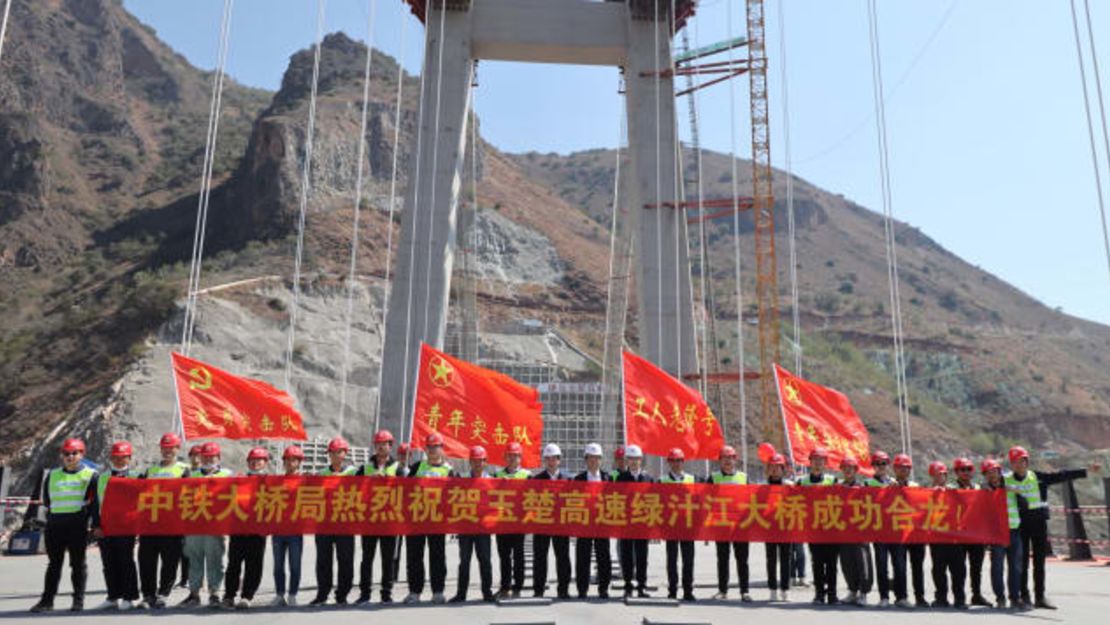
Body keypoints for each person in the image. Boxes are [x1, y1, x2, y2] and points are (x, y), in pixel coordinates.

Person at [1006, 445, 1087, 610]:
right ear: (1011, 464)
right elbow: (988, 485)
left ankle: (1040, 597)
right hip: (1020, 526)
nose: (1018, 465)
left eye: (1021, 461)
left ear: (1026, 461)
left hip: (1039, 525)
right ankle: (1024, 596)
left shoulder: (1038, 477)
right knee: (1022, 563)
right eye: (1014, 462)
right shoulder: (1006, 479)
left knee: (1039, 562)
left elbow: (1062, 475)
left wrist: (1085, 471)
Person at [30, 438, 98, 613]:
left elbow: (95, 503)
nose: (70, 457)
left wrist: (93, 524)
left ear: (82, 454)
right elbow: (47, 499)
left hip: (77, 524)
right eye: (66, 454)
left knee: (77, 564)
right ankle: (47, 601)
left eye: (74, 453)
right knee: (53, 564)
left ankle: (78, 601)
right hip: (55, 525)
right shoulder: (52, 475)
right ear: (62, 455)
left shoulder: (91, 475)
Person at [139, 433, 191, 609]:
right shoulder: (150, 471)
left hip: (172, 525)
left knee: (170, 561)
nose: (168, 451)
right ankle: (148, 595)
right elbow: (138, 495)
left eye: (171, 448)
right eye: (165, 448)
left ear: (177, 449)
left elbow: (190, 497)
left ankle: (163, 593)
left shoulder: (184, 470)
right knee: (146, 561)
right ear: (160, 449)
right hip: (150, 525)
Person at [179, 442, 233, 608]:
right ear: (200, 458)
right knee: (194, 560)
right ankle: (194, 593)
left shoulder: (227, 475)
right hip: (194, 525)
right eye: (205, 457)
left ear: (219, 458)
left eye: (212, 457)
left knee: (215, 560)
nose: (208, 460)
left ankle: (215, 593)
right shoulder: (190, 475)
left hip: (216, 527)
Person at [404, 433, 455, 604]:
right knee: (414, 556)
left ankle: (438, 591)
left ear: (442, 449)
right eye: (430, 447)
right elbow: (404, 490)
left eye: (436, 447)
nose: (432, 450)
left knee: (437, 556)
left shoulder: (449, 470)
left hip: (437, 520)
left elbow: (456, 494)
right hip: (416, 519)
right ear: (425, 449)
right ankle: (414, 592)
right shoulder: (417, 467)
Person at [90, 441, 140, 611]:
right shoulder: (101, 477)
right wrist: (96, 525)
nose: (119, 460)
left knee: (126, 561)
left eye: (123, 457)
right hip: (106, 527)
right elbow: (95, 503)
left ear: (129, 458)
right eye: (116, 457)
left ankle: (129, 597)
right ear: (111, 458)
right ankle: (112, 596)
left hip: (127, 527)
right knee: (109, 563)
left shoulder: (137, 477)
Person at [310, 436, 357, 606]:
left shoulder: (354, 473)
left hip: (345, 523)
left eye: (339, 452)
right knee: (323, 561)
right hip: (324, 524)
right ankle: (322, 594)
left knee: (345, 560)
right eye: (332, 452)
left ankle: (342, 594)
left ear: (345, 453)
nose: (336, 455)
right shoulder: (322, 474)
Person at [356, 430, 400, 604]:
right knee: (367, 558)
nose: (381, 447)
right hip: (370, 521)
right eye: (379, 444)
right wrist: (369, 479)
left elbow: (408, 490)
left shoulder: (399, 468)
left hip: (389, 520)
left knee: (387, 559)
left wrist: (391, 480)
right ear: (375, 446)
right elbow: (353, 488)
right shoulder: (365, 467)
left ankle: (386, 593)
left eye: (385, 443)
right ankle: (365, 593)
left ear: (390, 446)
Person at [223, 447, 269, 609]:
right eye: (253, 460)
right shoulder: (239, 479)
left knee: (254, 565)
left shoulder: (271, 481)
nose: (256, 462)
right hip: (238, 529)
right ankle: (229, 595)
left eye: (259, 460)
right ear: (248, 462)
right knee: (233, 565)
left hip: (258, 530)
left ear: (265, 462)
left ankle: (247, 596)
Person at [450, 445, 496, 603]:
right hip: (466, 527)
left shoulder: (492, 480)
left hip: (483, 528)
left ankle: (487, 592)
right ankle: (461, 593)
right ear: (470, 462)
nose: (478, 464)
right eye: (475, 460)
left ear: (486, 462)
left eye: (481, 460)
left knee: (485, 560)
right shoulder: (461, 478)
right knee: (464, 561)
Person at [706, 445, 749, 601]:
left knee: (742, 559)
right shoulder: (713, 478)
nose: (728, 461)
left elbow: (752, 500)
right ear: (720, 461)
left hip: (740, 526)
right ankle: (722, 590)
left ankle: (745, 591)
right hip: (721, 525)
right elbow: (705, 500)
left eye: (730, 458)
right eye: (725, 458)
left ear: (735, 459)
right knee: (723, 559)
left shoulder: (743, 478)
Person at [531, 443, 573, 599]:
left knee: (563, 557)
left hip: (561, 525)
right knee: (540, 557)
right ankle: (538, 589)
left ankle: (563, 589)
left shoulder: (569, 480)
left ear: (559, 460)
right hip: (542, 524)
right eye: (547, 459)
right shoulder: (537, 480)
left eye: (553, 459)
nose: (551, 462)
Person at [573, 443, 612, 599]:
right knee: (583, 557)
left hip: (602, 524)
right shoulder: (578, 479)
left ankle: (603, 588)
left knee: (604, 557)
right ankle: (582, 589)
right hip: (584, 524)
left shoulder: (608, 478)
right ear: (586, 460)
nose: (594, 461)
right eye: (591, 458)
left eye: (597, 458)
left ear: (601, 460)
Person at [800, 448, 838, 605]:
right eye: (815, 460)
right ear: (810, 462)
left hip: (831, 528)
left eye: (821, 460)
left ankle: (832, 594)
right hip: (813, 529)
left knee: (831, 563)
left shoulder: (832, 481)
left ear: (825, 463)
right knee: (817, 562)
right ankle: (819, 594)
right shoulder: (802, 482)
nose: (817, 463)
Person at [982, 458, 1021, 609]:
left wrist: (1011, 488)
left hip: (1014, 530)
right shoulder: (983, 491)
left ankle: (1015, 597)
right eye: (988, 473)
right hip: (996, 533)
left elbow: (1023, 489)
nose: (992, 475)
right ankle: (1000, 598)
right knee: (997, 566)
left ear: (999, 472)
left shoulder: (1009, 484)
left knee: (1015, 566)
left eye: (994, 471)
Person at [616, 444, 653, 598]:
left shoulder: (648, 479)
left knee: (642, 556)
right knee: (626, 556)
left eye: (636, 459)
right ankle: (628, 585)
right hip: (626, 524)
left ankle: (641, 586)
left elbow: (654, 501)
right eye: (630, 459)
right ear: (627, 461)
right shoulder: (621, 478)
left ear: (641, 460)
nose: (633, 462)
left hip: (643, 524)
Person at [953, 457, 991, 607]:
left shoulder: (979, 488)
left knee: (976, 568)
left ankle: (976, 595)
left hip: (976, 534)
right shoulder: (950, 488)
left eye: (969, 469)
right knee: (959, 568)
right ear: (956, 472)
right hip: (958, 535)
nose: (966, 473)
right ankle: (959, 597)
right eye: (962, 469)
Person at [494, 441, 530, 599]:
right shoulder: (497, 475)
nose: (512, 459)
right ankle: (505, 586)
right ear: (505, 457)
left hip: (518, 522)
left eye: (515, 456)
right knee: (504, 556)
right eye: (509, 456)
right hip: (501, 522)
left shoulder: (527, 475)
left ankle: (518, 586)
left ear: (520, 457)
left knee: (519, 555)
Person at [890, 453, 926, 608]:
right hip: (897, 532)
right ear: (895, 469)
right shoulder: (889, 487)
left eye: (906, 468)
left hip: (915, 533)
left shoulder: (916, 487)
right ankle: (901, 596)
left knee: (917, 566)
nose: (903, 471)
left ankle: (920, 596)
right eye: (900, 468)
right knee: (899, 566)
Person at [926, 460, 964, 608]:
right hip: (936, 538)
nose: (938, 478)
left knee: (958, 570)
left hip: (955, 538)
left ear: (946, 475)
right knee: (938, 570)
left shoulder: (954, 490)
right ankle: (941, 597)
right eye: (935, 475)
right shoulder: (925, 493)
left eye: (941, 474)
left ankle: (959, 599)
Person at [661, 448, 696, 602]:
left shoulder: (692, 479)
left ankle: (688, 590)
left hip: (688, 526)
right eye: (674, 460)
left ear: (684, 462)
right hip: (671, 526)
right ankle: (672, 590)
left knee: (688, 560)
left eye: (679, 460)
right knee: (672, 560)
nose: (677, 464)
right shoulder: (662, 481)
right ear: (669, 462)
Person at [271, 445, 304, 607]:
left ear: (299, 462)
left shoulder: (305, 482)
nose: (290, 462)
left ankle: (292, 594)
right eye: (288, 459)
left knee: (295, 565)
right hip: (278, 530)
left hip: (295, 531)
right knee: (278, 566)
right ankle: (279, 594)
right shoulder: (277, 481)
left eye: (294, 460)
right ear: (284, 462)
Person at [864, 450, 897, 607]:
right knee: (881, 566)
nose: (880, 466)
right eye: (877, 464)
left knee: (900, 566)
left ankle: (901, 596)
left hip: (895, 530)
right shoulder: (867, 484)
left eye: (883, 463)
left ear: (887, 465)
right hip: (878, 531)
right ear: (873, 466)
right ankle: (884, 596)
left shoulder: (895, 483)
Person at [837, 455, 870, 606]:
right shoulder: (838, 488)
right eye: (845, 468)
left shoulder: (863, 488)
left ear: (856, 470)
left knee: (862, 563)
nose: (848, 471)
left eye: (851, 468)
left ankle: (863, 593)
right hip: (844, 532)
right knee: (846, 563)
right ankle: (852, 591)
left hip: (860, 532)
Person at [764, 453, 793, 602]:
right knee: (771, 559)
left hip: (785, 528)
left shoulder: (789, 486)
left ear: (783, 469)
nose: (775, 470)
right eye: (772, 467)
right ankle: (772, 588)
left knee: (785, 559)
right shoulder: (763, 487)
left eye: (778, 467)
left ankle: (785, 589)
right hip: (769, 528)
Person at [177, 443, 204, 589]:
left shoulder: (206, 471)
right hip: (187, 514)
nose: (196, 458)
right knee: (185, 549)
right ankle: (184, 578)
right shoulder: (185, 472)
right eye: (194, 455)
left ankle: (202, 579)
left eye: (199, 455)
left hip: (202, 514)